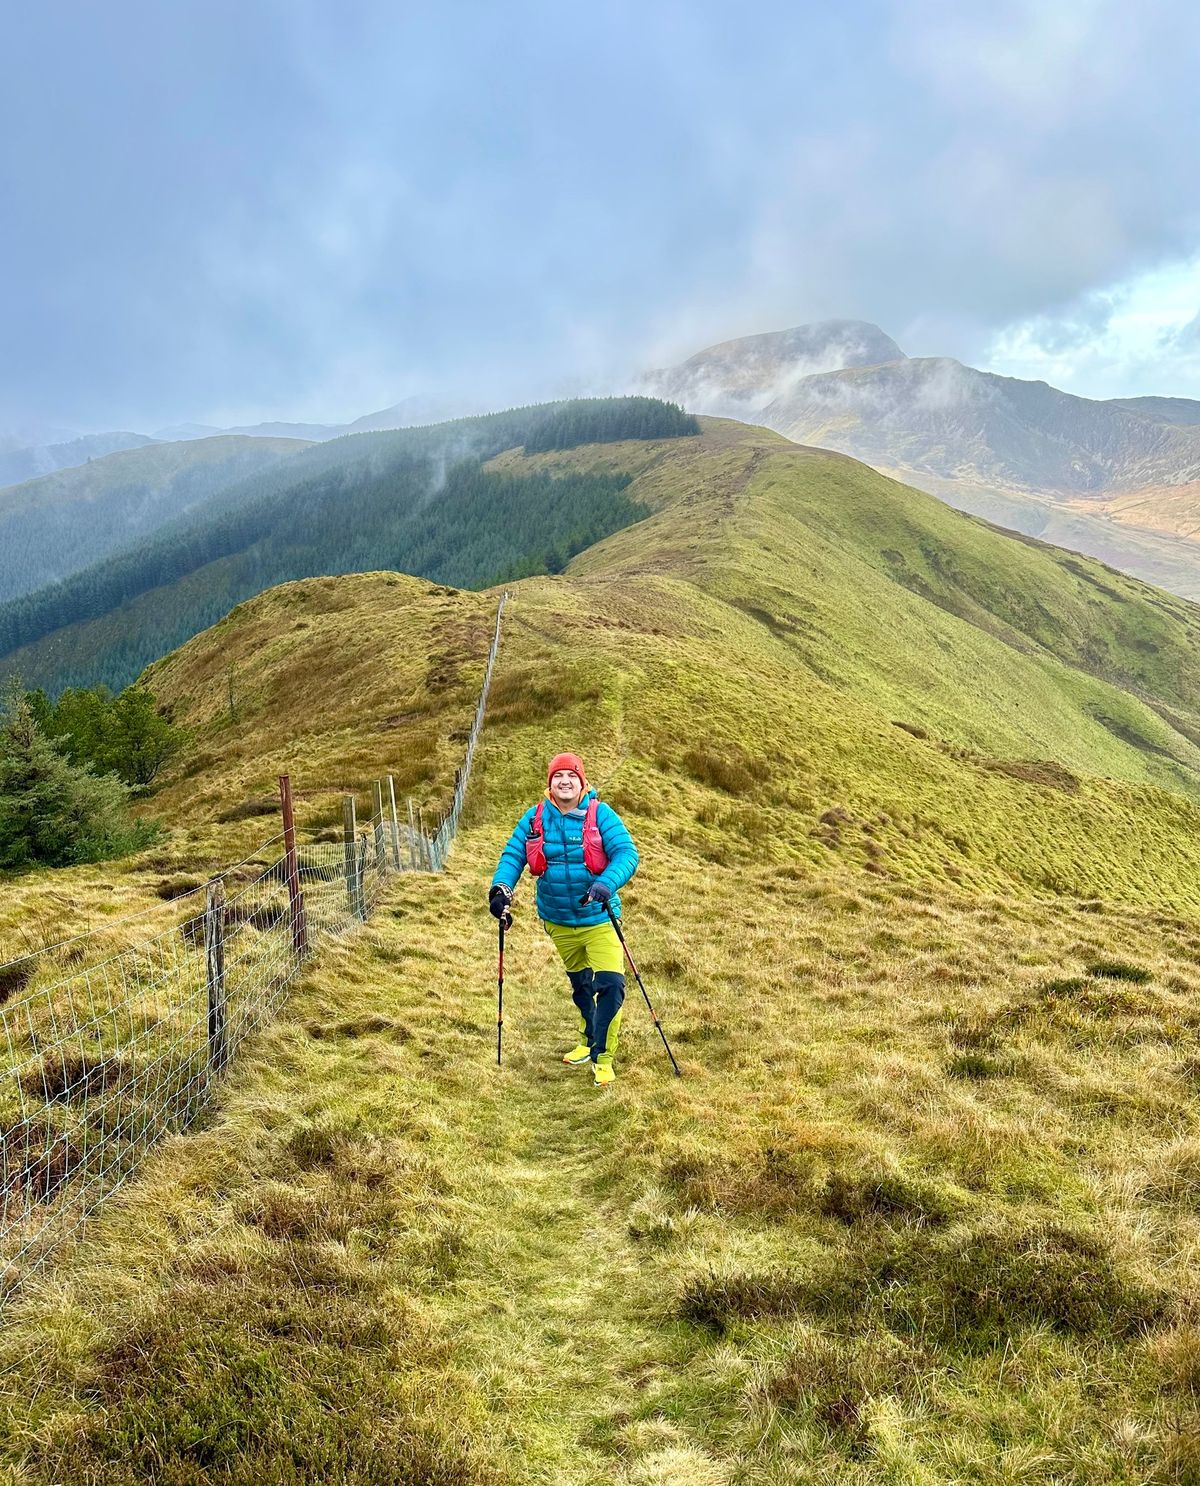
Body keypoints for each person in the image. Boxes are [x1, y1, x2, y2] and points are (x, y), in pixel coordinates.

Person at [489, 752, 638, 1087]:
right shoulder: (535, 817)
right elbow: (513, 855)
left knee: (611, 986)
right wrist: (500, 889)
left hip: (599, 918)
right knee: (581, 987)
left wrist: (606, 882)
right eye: (558, 776)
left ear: (582, 781)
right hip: (557, 920)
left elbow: (627, 854)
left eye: (572, 775)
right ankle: (587, 1040)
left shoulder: (601, 814)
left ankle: (603, 1057)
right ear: (550, 783)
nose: (565, 781)